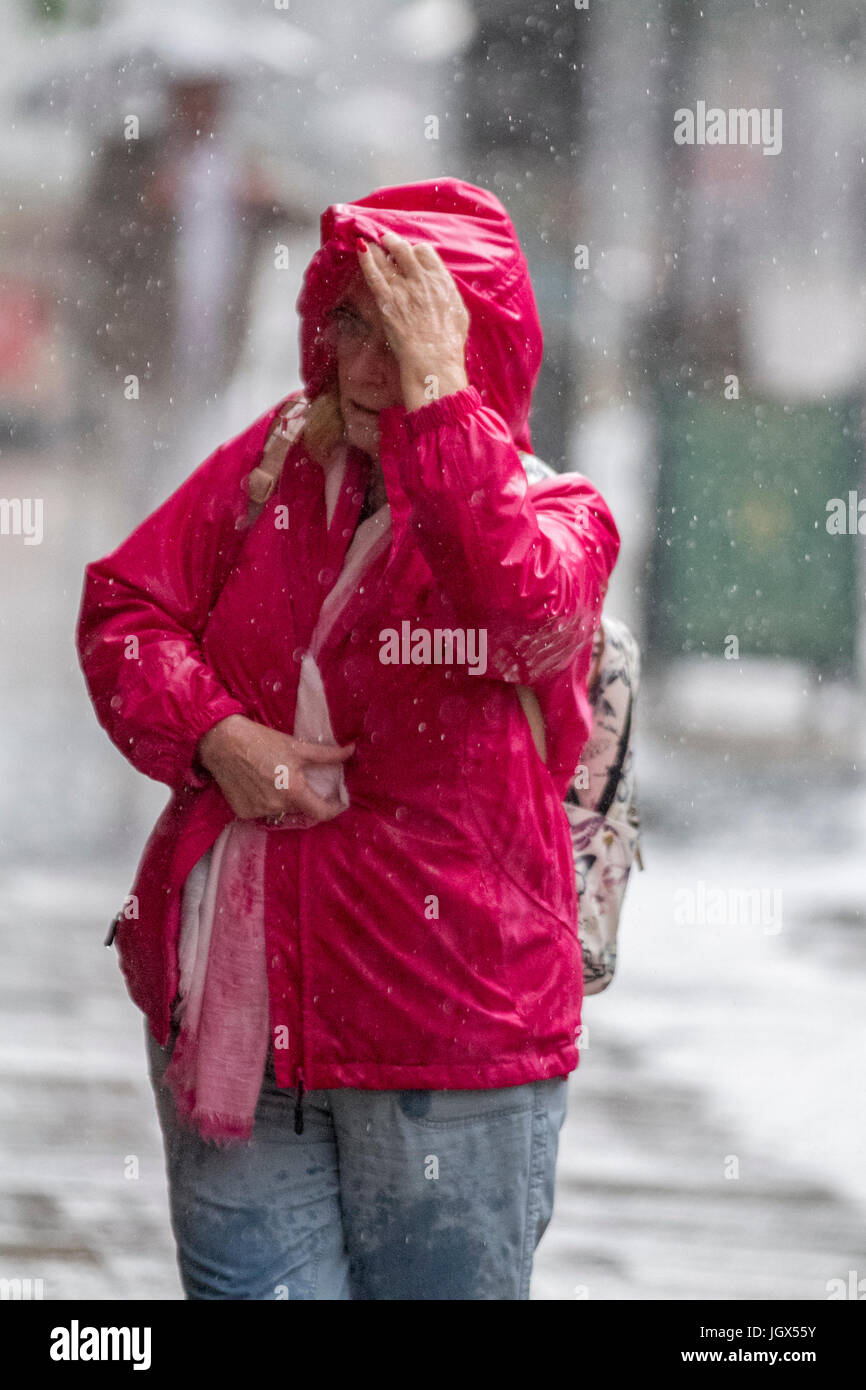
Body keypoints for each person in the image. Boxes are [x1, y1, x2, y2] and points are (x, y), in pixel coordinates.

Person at [76, 177, 620, 1301]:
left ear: (483, 352)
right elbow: (126, 610)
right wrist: (217, 732)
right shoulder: (268, 469)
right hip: (240, 1028)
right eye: (350, 326)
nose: (369, 367)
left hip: (451, 1045)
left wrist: (437, 418)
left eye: (410, 337)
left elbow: (515, 612)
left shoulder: (558, 517)